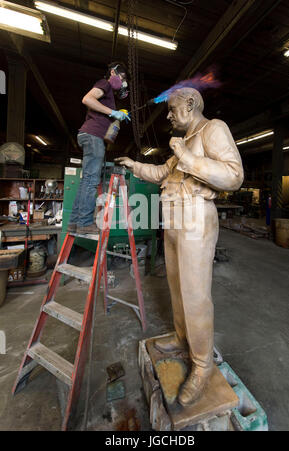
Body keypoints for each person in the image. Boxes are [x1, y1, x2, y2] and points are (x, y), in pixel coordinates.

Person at [115, 87, 244, 407]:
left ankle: (201, 365)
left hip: (196, 220)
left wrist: (188, 158)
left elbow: (233, 175)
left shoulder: (213, 129)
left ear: (191, 103)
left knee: (196, 295)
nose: (169, 116)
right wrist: (134, 164)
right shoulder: (183, 142)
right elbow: (161, 172)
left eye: (173, 109)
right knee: (176, 287)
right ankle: (181, 337)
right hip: (172, 223)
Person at [68, 62, 130, 235]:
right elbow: (87, 99)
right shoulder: (105, 84)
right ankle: (85, 223)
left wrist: (116, 116)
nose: (122, 82)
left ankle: (75, 222)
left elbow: (107, 125)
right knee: (91, 181)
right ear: (113, 72)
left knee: (86, 180)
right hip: (92, 136)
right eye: (122, 78)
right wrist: (112, 112)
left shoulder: (109, 93)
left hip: (91, 136)